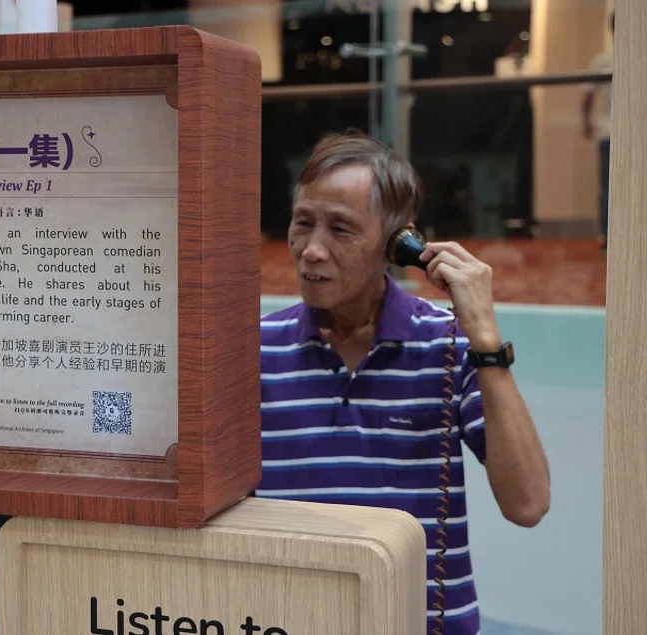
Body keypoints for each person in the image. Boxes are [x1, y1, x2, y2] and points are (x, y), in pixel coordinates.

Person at [257, 132, 550, 635]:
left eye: (342, 230)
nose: (311, 251)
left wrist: (485, 341)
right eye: (302, 223)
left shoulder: (452, 346)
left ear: (399, 244)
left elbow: (527, 503)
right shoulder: (251, 350)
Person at [582, 10, 613, 251]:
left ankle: (606, 236)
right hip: (610, 132)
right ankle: (606, 236)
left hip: (608, 132)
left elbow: (587, 97)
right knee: (608, 185)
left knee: (608, 185)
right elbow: (588, 95)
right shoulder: (603, 61)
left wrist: (586, 123)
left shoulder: (603, 60)